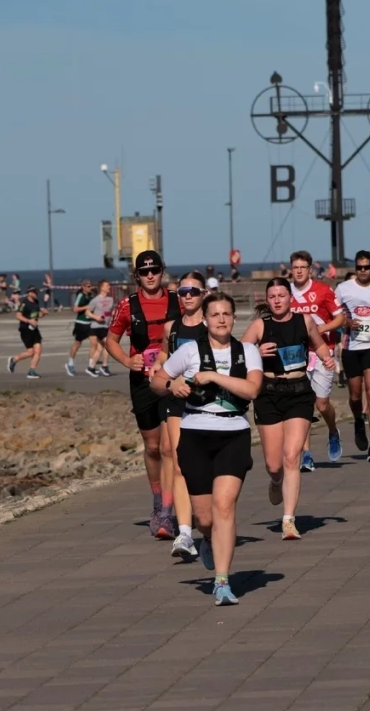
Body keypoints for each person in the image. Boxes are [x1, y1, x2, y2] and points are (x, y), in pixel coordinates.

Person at [150, 292, 263, 605]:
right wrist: (172, 385)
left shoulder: (248, 351)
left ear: (234, 318)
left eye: (227, 314)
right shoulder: (189, 351)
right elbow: (157, 381)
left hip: (233, 434)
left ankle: (223, 581)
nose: (222, 319)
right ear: (205, 320)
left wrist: (212, 376)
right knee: (205, 518)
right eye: (216, 315)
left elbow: (253, 389)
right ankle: (207, 540)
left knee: (225, 506)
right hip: (195, 434)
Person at [242, 278, 336, 540]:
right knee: (274, 465)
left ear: (290, 297)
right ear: (267, 299)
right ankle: (275, 481)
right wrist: (257, 351)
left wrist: (327, 359)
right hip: (269, 394)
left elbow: (318, 344)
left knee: (292, 456)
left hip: (299, 393)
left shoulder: (304, 322)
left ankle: (289, 520)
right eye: (272, 297)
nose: (277, 300)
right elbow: (238, 353)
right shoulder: (260, 325)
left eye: (282, 295)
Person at [106, 250, 182, 539]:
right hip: (142, 383)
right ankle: (157, 503)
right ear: (136, 275)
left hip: (172, 380)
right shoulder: (127, 305)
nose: (150, 275)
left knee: (170, 447)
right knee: (152, 448)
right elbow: (111, 340)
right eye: (144, 271)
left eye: (155, 270)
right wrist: (127, 361)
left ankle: (169, 512)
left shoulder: (177, 300)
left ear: (162, 271)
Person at [154, 271, 209, 558]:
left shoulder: (213, 325)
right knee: (177, 461)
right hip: (177, 400)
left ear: (204, 295)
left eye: (194, 291)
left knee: (204, 465)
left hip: (207, 403)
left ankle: (205, 517)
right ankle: (185, 533)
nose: (188, 295)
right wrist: (161, 373)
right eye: (183, 291)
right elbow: (165, 356)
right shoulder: (171, 328)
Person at [288, 250, 345, 470]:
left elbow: (340, 318)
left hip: (323, 352)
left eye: (303, 267)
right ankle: (307, 454)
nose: (299, 271)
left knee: (321, 405)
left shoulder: (323, 290)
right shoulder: (286, 293)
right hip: (297, 355)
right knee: (303, 405)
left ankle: (332, 431)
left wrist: (322, 328)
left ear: (310, 269)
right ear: (291, 269)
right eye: (296, 267)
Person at [334, 249, 370, 460]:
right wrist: (347, 322)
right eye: (359, 267)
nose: (362, 271)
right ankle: (358, 419)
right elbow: (335, 314)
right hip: (351, 347)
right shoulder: (343, 289)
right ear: (355, 269)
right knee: (355, 395)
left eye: (366, 267)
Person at [7, 286, 45, 379]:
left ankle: (31, 371)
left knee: (38, 350)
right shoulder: (24, 303)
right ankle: (14, 359)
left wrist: (43, 313)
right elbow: (18, 315)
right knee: (30, 352)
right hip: (25, 329)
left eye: (37, 292)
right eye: (35, 292)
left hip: (34, 329)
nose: (36, 294)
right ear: (30, 293)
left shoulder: (36, 302)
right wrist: (29, 321)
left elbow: (37, 314)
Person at [85, 280, 114, 376]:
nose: (109, 287)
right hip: (97, 326)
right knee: (108, 344)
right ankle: (104, 366)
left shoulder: (110, 299)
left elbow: (109, 312)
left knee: (101, 348)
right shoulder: (95, 300)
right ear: (102, 288)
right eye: (107, 285)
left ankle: (91, 367)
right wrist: (96, 317)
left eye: (109, 285)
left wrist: (113, 315)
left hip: (106, 326)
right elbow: (87, 312)